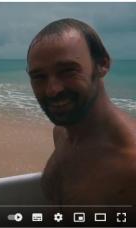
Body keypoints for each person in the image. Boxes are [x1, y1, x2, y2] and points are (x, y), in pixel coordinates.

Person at [26, 18, 136, 205]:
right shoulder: (62, 133)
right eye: (39, 77)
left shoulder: (129, 162)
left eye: (68, 71)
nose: (52, 89)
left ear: (102, 64)